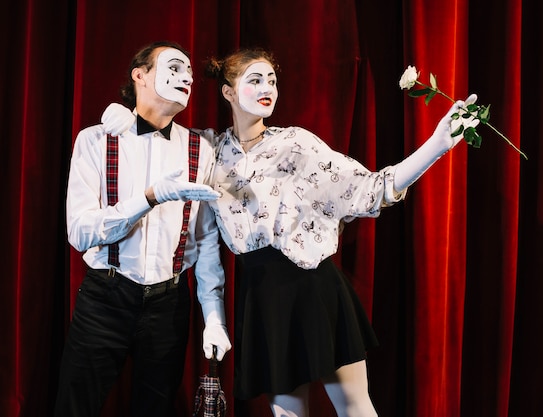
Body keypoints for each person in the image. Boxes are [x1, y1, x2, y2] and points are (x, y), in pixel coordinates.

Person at [103, 47, 477, 417]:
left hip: (314, 287)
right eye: (255, 80)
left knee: (355, 408)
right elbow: (158, 137)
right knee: (287, 416)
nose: (268, 87)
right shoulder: (207, 149)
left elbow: (371, 189)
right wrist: (123, 114)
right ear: (228, 92)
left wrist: (437, 147)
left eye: (272, 80)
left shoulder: (297, 143)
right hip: (261, 297)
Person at [56, 41, 232, 417]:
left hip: (169, 304)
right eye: (173, 68)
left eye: (189, 73)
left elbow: (204, 242)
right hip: (105, 297)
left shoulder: (200, 149)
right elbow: (80, 232)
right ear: (140, 75)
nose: (186, 77)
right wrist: (148, 198)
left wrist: (214, 318)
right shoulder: (97, 139)